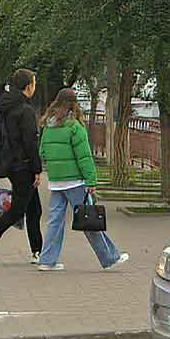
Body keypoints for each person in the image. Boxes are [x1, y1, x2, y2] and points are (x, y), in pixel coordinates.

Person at [37, 88, 130, 271]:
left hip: (56, 181)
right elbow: (84, 157)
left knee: (54, 221)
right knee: (89, 219)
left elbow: (42, 152)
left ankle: (47, 260)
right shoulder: (74, 127)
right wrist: (91, 180)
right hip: (75, 182)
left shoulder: (48, 125)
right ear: (74, 104)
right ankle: (110, 257)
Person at [0, 69, 43, 268]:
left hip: (12, 162)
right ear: (28, 86)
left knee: (34, 208)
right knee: (18, 209)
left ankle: (38, 251)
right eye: (34, 83)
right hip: (23, 166)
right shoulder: (25, 110)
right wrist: (37, 168)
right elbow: (30, 142)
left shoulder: (7, 107)